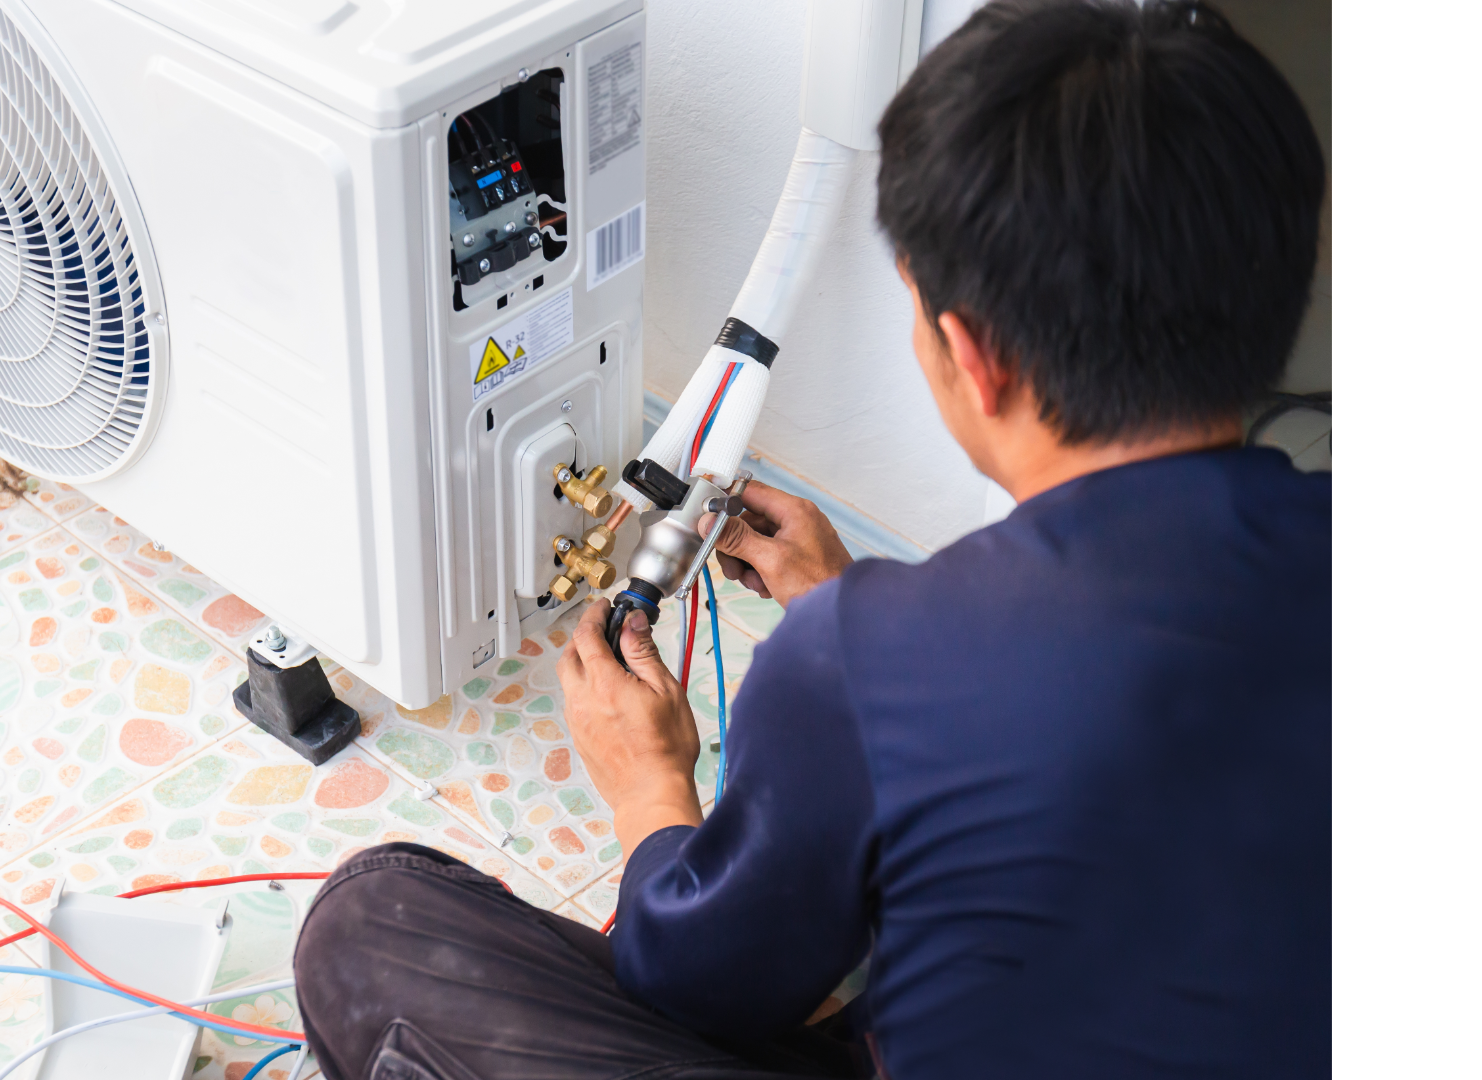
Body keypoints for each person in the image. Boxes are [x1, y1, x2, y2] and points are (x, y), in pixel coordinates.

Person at [292, 1, 1329, 1077]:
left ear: (970, 357)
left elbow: (699, 985)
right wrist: (870, 616)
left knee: (374, 921)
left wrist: (648, 781)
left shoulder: (864, 660)